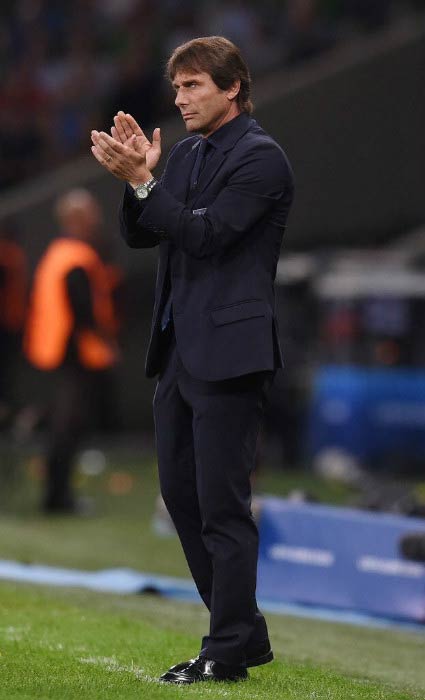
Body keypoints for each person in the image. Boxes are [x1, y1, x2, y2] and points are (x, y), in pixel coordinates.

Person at [91, 35, 294, 684]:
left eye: (194, 86)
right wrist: (137, 179)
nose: (180, 99)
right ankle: (241, 632)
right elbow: (141, 232)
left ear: (232, 87)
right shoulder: (184, 154)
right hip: (178, 353)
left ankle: (226, 649)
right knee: (182, 498)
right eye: (177, 87)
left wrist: (146, 182)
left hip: (230, 356)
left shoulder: (261, 159)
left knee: (221, 507)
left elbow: (206, 236)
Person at [24, 189, 120, 514]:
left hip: (55, 350)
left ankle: (57, 494)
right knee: (67, 427)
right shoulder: (76, 256)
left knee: (63, 426)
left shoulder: (58, 252)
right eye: (91, 213)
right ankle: (58, 497)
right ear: (76, 218)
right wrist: (105, 342)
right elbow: (83, 310)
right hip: (71, 352)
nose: (97, 218)